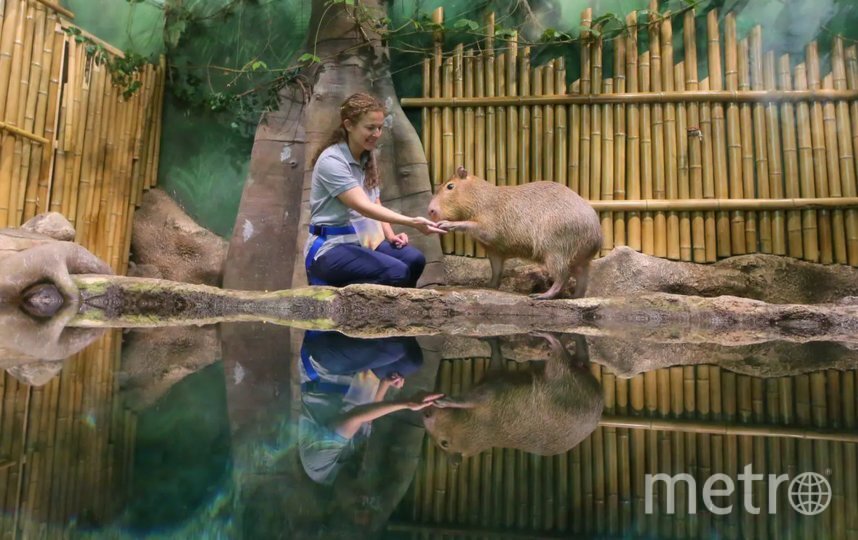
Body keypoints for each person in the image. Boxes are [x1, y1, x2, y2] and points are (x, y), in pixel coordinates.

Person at [305, 92, 446, 287]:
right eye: (370, 128)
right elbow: (363, 207)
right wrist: (413, 222)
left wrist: (389, 235)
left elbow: (374, 200)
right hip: (330, 249)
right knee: (397, 272)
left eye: (379, 127)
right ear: (348, 125)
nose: (377, 134)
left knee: (414, 260)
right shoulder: (332, 161)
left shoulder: (365, 155)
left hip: (361, 242)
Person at [298, 330, 443, 485]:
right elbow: (368, 417)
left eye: (357, 504)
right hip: (356, 373)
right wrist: (386, 383)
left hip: (325, 366)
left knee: (396, 346)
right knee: (412, 360)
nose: (363, 498)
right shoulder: (350, 461)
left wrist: (407, 404)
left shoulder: (317, 466)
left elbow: (355, 417)